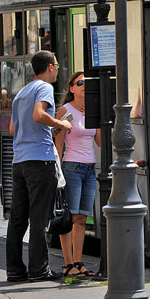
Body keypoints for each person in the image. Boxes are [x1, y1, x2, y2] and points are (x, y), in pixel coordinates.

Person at [6, 50, 72, 282]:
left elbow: (13, 129)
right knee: (39, 218)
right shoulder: (45, 88)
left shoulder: (21, 92)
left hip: (19, 161)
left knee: (18, 219)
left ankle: (14, 270)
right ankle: (38, 270)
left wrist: (43, 126)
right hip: (40, 159)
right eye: (57, 65)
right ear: (50, 67)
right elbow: (39, 115)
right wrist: (60, 124)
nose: (58, 69)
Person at [55, 71, 101, 278]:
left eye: (87, 82)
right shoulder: (66, 110)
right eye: (80, 82)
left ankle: (78, 262)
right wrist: (56, 172)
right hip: (72, 167)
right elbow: (59, 142)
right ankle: (68, 264)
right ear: (72, 88)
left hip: (90, 168)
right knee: (69, 217)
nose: (84, 85)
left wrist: (100, 115)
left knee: (82, 217)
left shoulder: (91, 110)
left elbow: (99, 141)